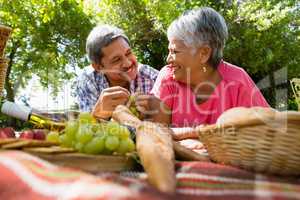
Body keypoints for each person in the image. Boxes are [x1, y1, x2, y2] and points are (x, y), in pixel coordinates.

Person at [135, 7, 269, 130]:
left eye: (175, 52)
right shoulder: (168, 77)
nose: (168, 59)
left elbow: (268, 130)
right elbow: (157, 138)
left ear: (204, 53)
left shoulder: (238, 81)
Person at [76, 25, 158, 120]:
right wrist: (97, 115)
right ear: (99, 67)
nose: (127, 63)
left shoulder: (152, 77)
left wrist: (153, 116)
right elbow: (86, 130)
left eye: (128, 53)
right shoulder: (88, 80)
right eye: (116, 60)